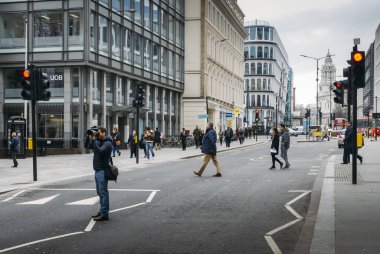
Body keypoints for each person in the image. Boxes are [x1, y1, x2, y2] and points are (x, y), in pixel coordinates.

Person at [88, 126, 112, 221]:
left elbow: (101, 151)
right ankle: (102, 211)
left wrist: (94, 141)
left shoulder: (108, 143)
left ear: (103, 133)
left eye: (98, 132)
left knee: (103, 192)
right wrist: (90, 139)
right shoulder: (98, 141)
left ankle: (104, 214)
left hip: (102, 170)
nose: (97, 134)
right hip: (97, 170)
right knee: (100, 193)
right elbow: (88, 146)